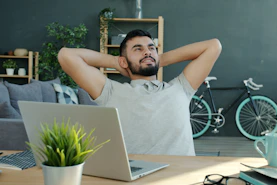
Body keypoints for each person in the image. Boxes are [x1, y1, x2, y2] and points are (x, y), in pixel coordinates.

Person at [58, 29, 222, 156]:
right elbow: (66, 56)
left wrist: (156, 60)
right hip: (136, 176)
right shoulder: (110, 91)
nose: (147, 52)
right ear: (123, 60)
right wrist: (116, 62)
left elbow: (213, 46)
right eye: (138, 49)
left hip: (181, 176)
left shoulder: (181, 87)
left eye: (151, 48)